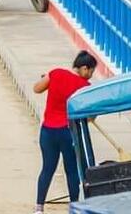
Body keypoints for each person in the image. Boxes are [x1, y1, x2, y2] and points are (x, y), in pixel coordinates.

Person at [32, 50, 98, 213]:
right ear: (84, 68)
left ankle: (39, 207)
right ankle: (74, 206)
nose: (90, 75)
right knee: (71, 170)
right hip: (68, 133)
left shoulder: (56, 73)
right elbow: (90, 117)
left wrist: (46, 79)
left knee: (47, 168)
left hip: (47, 132)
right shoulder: (85, 87)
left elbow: (37, 89)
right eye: (90, 71)